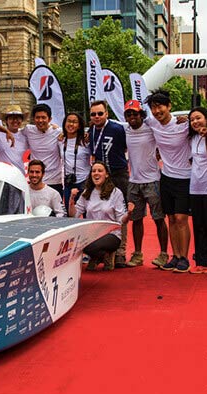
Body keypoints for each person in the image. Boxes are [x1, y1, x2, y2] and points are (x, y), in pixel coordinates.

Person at [144, 90, 192, 272]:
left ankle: (185, 258)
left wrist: (189, 119)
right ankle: (176, 256)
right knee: (171, 218)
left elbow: (205, 123)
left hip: (185, 178)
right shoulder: (152, 124)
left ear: (169, 106)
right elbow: (129, 122)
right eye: (153, 108)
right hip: (166, 177)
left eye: (160, 106)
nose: (157, 111)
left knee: (181, 218)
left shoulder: (184, 125)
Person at [122, 100, 169, 269]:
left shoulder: (151, 128)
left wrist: (183, 119)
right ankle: (137, 254)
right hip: (134, 182)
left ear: (141, 114)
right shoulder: (125, 130)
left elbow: (167, 122)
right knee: (136, 219)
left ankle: (164, 254)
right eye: (129, 114)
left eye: (135, 113)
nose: (132, 117)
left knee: (158, 218)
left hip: (153, 181)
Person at [88, 100, 129, 267]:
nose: (96, 117)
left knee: (121, 212)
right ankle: (100, 250)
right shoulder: (90, 131)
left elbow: (126, 147)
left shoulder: (117, 129)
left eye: (100, 113)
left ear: (106, 114)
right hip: (100, 175)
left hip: (118, 174)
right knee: (99, 209)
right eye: (93, 114)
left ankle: (120, 252)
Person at [69, 161, 129, 271]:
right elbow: (74, 215)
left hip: (111, 234)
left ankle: (99, 256)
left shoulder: (116, 193)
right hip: (92, 233)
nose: (96, 173)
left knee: (89, 245)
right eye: (93, 171)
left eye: (100, 171)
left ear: (106, 175)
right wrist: (72, 199)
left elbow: (121, 219)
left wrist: (128, 215)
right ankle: (103, 256)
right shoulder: (87, 193)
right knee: (76, 243)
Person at [188, 107, 207, 273]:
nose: (195, 122)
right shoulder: (192, 138)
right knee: (198, 225)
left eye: (198, 118)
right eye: (192, 120)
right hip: (194, 188)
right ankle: (201, 259)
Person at [24, 104, 64, 196]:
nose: (40, 120)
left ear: (50, 119)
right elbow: (14, 132)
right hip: (35, 180)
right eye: (37, 118)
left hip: (54, 181)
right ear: (33, 119)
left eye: (43, 117)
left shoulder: (58, 132)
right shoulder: (28, 130)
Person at [59, 112, 90, 209]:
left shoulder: (85, 141)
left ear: (79, 125)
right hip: (68, 182)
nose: (71, 124)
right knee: (69, 212)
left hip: (84, 182)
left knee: (86, 213)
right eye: (69, 121)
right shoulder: (60, 140)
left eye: (74, 122)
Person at [0, 105, 30, 173]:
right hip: (2, 175)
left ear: (22, 120)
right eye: (12, 118)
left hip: (19, 175)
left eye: (18, 118)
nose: (15, 121)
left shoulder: (25, 135)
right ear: (6, 121)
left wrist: (54, 127)